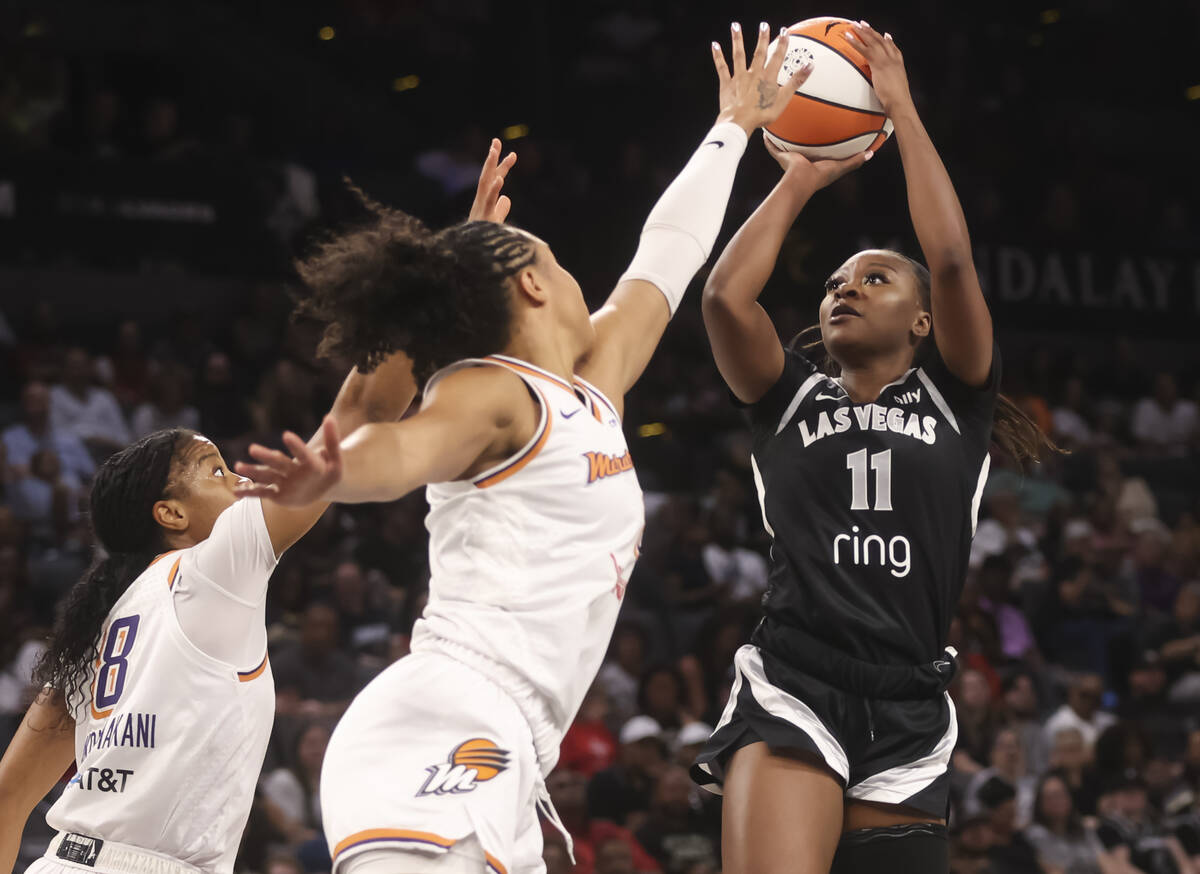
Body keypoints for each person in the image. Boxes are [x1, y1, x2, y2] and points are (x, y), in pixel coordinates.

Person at [232, 22, 810, 874]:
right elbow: (409, 449)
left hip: (508, 744)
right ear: (537, 285)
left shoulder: (592, 389)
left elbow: (668, 257)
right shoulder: (494, 392)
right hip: (440, 726)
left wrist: (733, 128)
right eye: (564, 263)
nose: (587, 280)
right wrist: (339, 472)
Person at [689, 22, 1053, 874]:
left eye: (875, 278)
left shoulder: (956, 402)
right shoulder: (786, 401)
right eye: (833, 283)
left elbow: (954, 259)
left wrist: (903, 113)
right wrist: (801, 180)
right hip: (797, 682)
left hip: (909, 703)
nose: (846, 287)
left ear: (922, 322)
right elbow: (722, 299)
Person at [0, 355, 413, 874]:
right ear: (171, 514)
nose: (240, 480)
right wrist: (419, 304)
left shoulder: (95, 627)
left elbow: (7, 801)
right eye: (216, 470)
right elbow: (360, 411)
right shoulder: (212, 569)